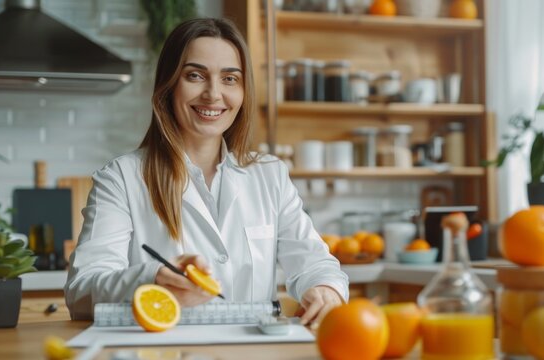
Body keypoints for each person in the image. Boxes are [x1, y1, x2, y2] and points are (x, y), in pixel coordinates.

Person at [64, 17, 348, 325]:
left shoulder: (270, 174)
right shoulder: (121, 178)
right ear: (168, 85)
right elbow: (81, 292)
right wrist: (152, 279)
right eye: (196, 75)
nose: (213, 94)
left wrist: (326, 289)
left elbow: (314, 262)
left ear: (243, 92)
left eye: (229, 79)